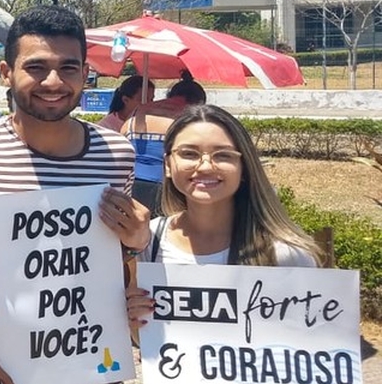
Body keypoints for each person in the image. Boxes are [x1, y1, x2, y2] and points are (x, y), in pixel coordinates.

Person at [0, 5, 150, 384]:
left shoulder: (116, 154)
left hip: (94, 368)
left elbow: (116, 265)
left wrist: (136, 242)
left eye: (68, 68)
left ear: (86, 74)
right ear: (6, 74)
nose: (53, 81)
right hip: (1, 373)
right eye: (36, 67)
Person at [126, 104, 322, 329]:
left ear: (244, 167)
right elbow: (145, 343)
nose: (206, 166)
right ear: (168, 165)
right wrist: (136, 321)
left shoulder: (286, 254)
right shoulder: (148, 240)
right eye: (189, 154)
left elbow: (305, 344)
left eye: (223, 155)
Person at [121, 70, 207, 216]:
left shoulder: (138, 111)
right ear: (198, 102)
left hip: (129, 185)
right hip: (165, 189)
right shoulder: (189, 117)